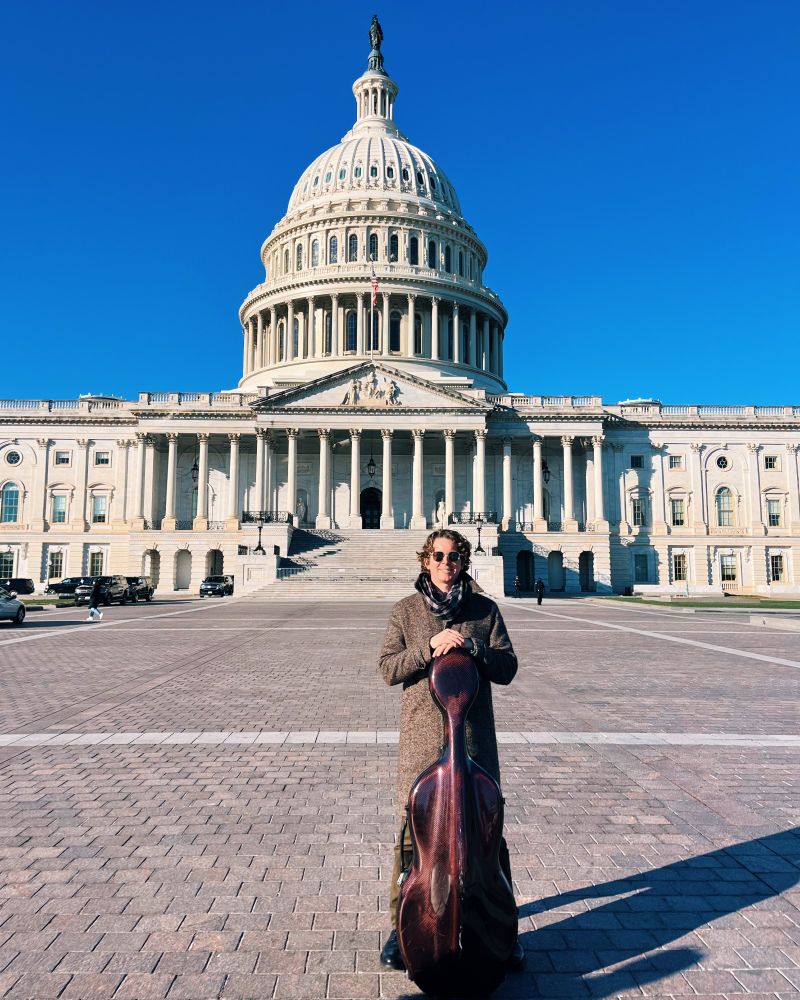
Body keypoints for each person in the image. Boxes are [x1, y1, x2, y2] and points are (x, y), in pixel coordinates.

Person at [378, 528, 524, 973]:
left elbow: (507, 667)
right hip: (423, 744)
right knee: (413, 839)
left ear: (463, 560)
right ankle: (400, 927)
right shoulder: (405, 611)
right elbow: (387, 669)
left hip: (474, 742)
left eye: (455, 556)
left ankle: (503, 927)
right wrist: (428, 648)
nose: (447, 563)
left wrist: (473, 646)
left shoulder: (485, 610)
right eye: (439, 555)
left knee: (487, 837)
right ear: (426, 560)